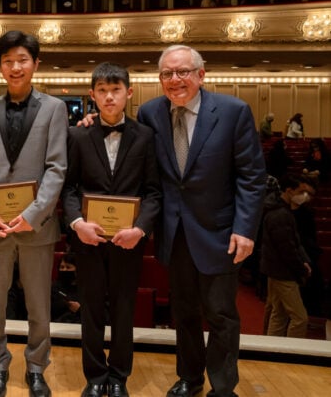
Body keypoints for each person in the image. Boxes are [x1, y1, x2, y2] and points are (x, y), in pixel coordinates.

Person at [135, 45, 267, 397]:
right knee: (184, 313)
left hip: (220, 232)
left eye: (183, 72)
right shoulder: (149, 113)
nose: (175, 80)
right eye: (167, 74)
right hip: (173, 233)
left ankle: (223, 388)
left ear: (201, 75)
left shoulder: (233, 111)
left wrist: (244, 229)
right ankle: (189, 379)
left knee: (222, 315)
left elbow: (251, 178)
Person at [0, 30, 68, 397]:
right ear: (0, 67)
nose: (15, 67)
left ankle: (36, 367)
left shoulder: (55, 109)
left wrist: (34, 213)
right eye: (8, 61)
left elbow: (57, 167)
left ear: (35, 64)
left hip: (36, 226)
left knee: (38, 304)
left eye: (22, 60)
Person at [62, 62, 161, 397]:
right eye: (102, 91)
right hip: (88, 239)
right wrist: (77, 223)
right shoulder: (76, 134)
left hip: (128, 241)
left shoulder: (147, 137)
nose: (108, 97)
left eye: (115, 90)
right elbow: (70, 188)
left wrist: (141, 229)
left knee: (123, 308)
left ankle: (119, 377)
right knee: (90, 309)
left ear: (128, 93)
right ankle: (94, 377)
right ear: (92, 95)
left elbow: (153, 192)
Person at [260, 174, 315, 338]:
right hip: (283, 272)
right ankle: (292, 353)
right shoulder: (280, 214)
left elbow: (293, 244)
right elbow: (287, 249)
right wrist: (301, 268)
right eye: (301, 191)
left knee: (279, 314)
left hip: (277, 269)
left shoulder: (280, 211)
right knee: (300, 318)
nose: (304, 197)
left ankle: (272, 350)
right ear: (289, 191)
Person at [50, 253, 80, 324]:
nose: (64, 270)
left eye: (68, 267)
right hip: (58, 324)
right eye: (62, 267)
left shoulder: (85, 288)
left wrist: (80, 309)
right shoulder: (54, 287)